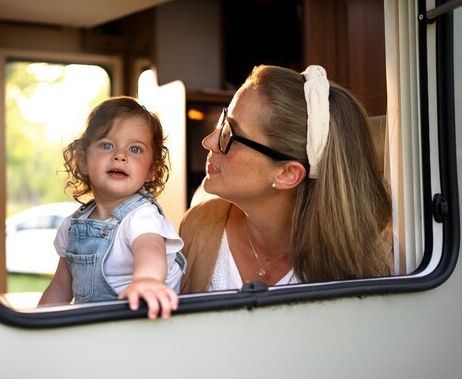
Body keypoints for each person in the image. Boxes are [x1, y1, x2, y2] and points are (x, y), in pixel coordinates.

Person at [179, 64, 392, 292]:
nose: (208, 142)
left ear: (287, 174)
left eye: (229, 133)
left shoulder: (375, 259)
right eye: (223, 122)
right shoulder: (197, 227)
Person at [38, 96, 186, 319]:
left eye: (135, 149)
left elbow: (150, 249)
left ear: (151, 170)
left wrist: (147, 280)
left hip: (140, 330)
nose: (120, 155)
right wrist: (38, 322)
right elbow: (60, 287)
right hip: (94, 332)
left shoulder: (141, 216)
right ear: (83, 161)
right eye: (107, 145)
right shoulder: (71, 226)